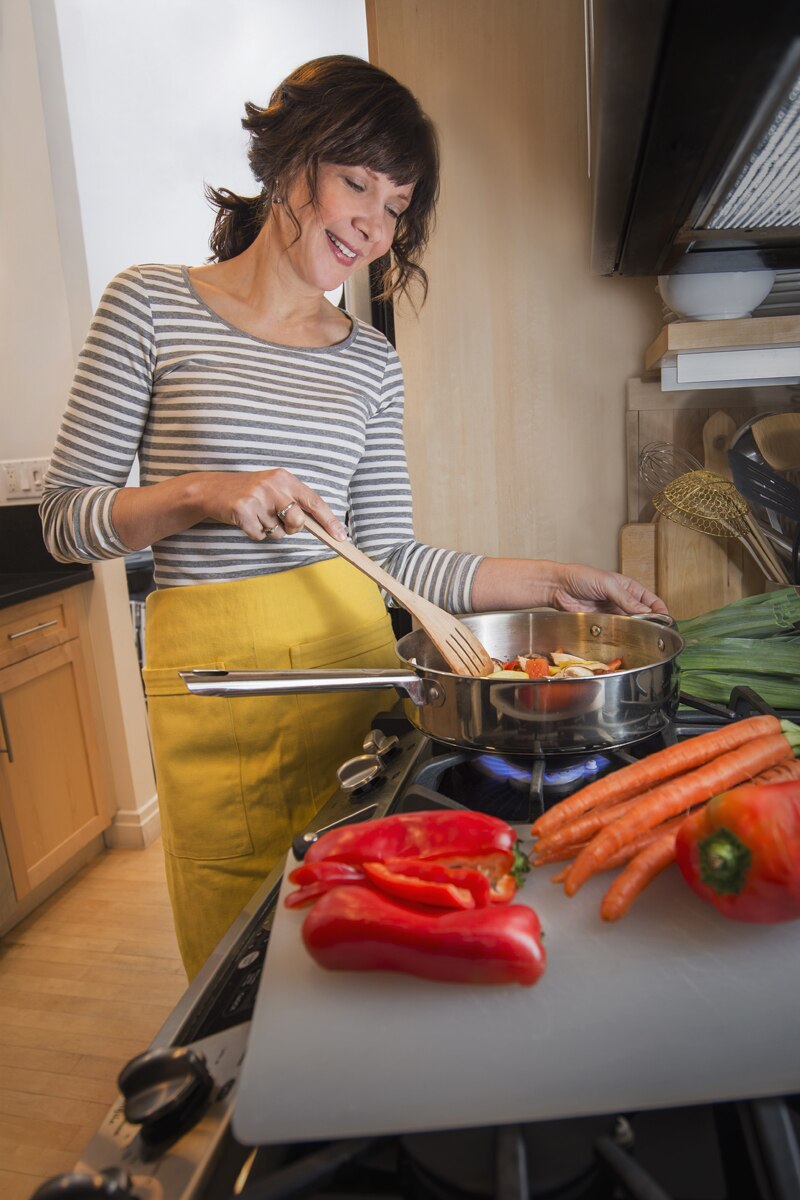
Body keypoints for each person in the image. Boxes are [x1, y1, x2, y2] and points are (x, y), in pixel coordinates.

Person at [41, 55, 666, 979]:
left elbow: (390, 556)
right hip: (227, 699)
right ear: (290, 167)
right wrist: (197, 491)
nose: (373, 222)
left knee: (359, 939)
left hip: (357, 681)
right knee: (245, 965)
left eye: (398, 203)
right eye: (355, 182)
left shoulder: (368, 361)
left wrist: (557, 582)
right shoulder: (149, 306)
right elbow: (64, 520)